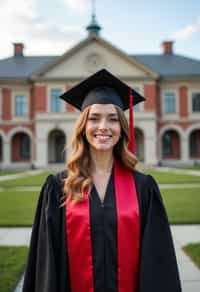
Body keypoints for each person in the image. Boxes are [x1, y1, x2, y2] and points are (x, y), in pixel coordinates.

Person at [22, 69, 182, 292]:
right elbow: (46, 263)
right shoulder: (58, 188)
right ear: (83, 128)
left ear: (122, 129)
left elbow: (158, 263)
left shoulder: (144, 188)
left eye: (113, 119)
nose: (103, 127)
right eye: (94, 118)